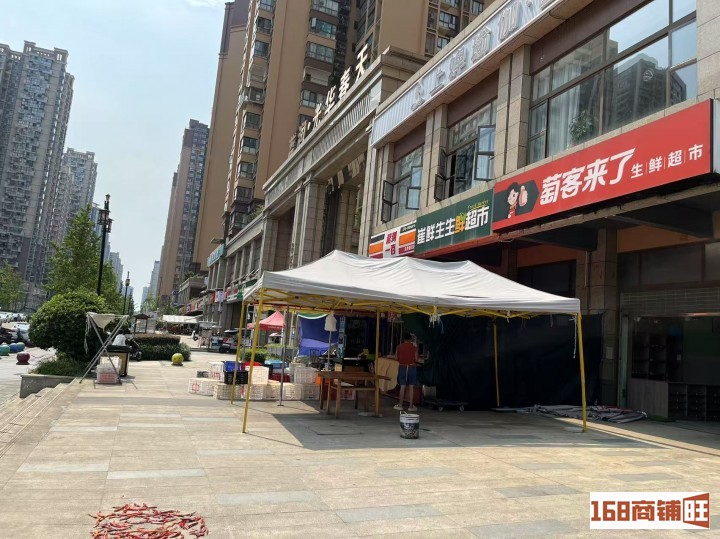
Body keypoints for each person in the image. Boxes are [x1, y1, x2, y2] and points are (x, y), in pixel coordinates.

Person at [394, 333, 418, 412]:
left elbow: (396, 358)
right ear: (410, 339)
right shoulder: (414, 347)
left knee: (402, 386)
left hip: (402, 367)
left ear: (403, 339)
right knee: (411, 387)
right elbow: (416, 359)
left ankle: (400, 405)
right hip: (412, 367)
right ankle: (411, 406)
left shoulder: (399, 347)